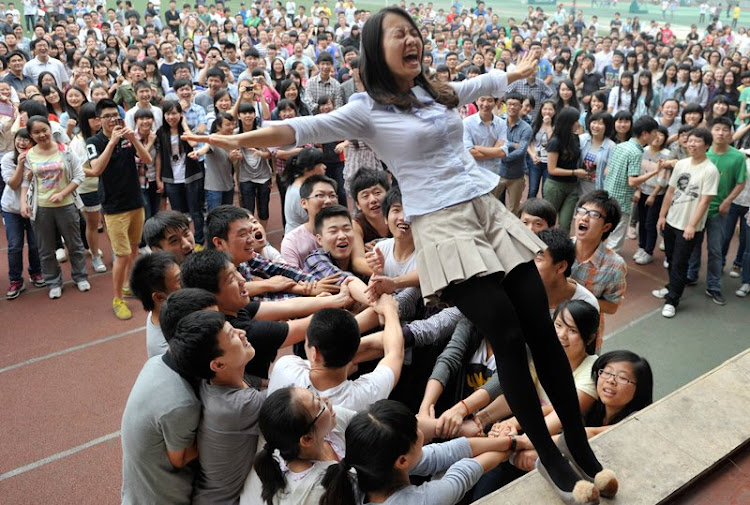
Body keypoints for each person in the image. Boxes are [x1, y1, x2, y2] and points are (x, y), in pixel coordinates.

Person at [186, 8, 612, 503]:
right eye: (398, 35)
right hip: (442, 225)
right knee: (508, 333)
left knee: (539, 322)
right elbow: (299, 129)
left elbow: (479, 83)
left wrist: (514, 73)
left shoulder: (436, 91)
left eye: (414, 32)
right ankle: (552, 457)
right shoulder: (367, 108)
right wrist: (240, 138)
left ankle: (580, 445)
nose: (411, 40)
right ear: (376, 49)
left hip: (485, 210)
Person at [318, 399, 532, 505]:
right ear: (402, 461)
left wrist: (508, 442)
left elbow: (443, 453)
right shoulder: (421, 501)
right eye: (416, 430)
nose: (421, 430)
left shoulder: (364, 471)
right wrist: (512, 444)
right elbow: (464, 471)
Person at [120, 288, 215, 505]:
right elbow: (179, 458)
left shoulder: (157, 361)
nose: (225, 327)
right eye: (213, 325)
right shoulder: (181, 403)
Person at [168, 307, 265, 505]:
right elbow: (297, 407)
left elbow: (262, 383)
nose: (242, 332)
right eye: (232, 334)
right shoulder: (240, 405)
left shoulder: (212, 382)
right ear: (218, 365)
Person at [86, 99, 151, 319]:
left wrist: (133, 138)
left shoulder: (127, 137)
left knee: (133, 249)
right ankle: (117, 299)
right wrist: (112, 142)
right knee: (122, 256)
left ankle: (126, 285)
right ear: (98, 120)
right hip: (114, 208)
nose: (113, 119)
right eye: (107, 116)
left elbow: (147, 159)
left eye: (116, 114)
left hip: (135, 202)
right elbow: (96, 169)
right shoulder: (94, 141)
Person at [20, 115, 89, 299]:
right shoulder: (29, 155)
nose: (42, 134)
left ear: (50, 129)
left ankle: (80, 276)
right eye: (36, 132)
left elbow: (79, 175)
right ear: (31, 135)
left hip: (66, 205)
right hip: (41, 208)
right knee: (46, 248)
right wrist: (23, 203)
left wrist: (63, 193)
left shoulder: (64, 151)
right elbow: (26, 182)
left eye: (44, 130)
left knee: (74, 244)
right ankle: (53, 282)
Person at [653, 128, 720, 318]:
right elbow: (670, 192)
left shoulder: (710, 170)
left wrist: (691, 225)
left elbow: (705, 201)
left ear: (706, 145)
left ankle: (672, 300)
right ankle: (671, 287)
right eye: (690, 140)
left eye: (697, 141)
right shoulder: (681, 164)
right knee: (672, 260)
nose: (692, 144)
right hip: (672, 221)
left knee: (680, 263)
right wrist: (662, 215)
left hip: (689, 227)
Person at [685, 117, 746, 303]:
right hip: (697, 209)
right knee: (694, 245)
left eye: (725, 129)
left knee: (716, 249)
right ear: (710, 133)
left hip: (718, 212)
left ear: (731, 133)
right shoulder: (703, 153)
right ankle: (692, 274)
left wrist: (727, 201)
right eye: (717, 129)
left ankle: (713, 286)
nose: (721, 132)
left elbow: (741, 182)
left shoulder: (737, 157)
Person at [571, 190, 627, 350]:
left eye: (594, 214)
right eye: (581, 211)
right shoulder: (560, 249)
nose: (584, 217)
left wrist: (575, 294)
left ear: (606, 227)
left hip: (585, 336)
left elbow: (612, 307)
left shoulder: (615, 265)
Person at [603, 116, 660, 253]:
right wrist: (655, 172)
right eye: (654, 132)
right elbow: (632, 181)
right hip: (621, 201)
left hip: (608, 196)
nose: (656, 136)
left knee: (605, 234)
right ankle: (606, 270)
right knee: (615, 241)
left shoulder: (621, 146)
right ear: (645, 134)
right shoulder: (636, 152)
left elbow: (607, 171)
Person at [1, 127, 45, 298]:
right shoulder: (7, 159)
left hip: (33, 206)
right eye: (19, 138)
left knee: (35, 243)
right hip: (11, 208)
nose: (22, 142)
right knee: (14, 245)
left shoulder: (39, 157)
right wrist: (20, 164)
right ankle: (15, 280)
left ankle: (36, 272)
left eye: (26, 139)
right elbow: (12, 184)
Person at [281, 174, 339, 269]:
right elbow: (292, 279)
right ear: (304, 203)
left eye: (332, 195)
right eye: (320, 195)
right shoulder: (292, 242)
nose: (328, 201)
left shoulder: (347, 231)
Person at [130, 251, 182, 358]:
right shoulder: (166, 349)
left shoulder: (163, 311)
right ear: (159, 297)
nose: (187, 280)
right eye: (179, 280)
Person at [633, 126, 673, 265]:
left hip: (656, 194)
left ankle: (649, 251)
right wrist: (637, 190)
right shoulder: (642, 151)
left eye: (661, 134)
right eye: (654, 133)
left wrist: (653, 195)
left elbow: (664, 179)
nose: (657, 137)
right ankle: (642, 247)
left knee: (650, 223)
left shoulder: (667, 155)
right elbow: (636, 172)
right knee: (642, 222)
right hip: (641, 191)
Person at [544, 106, 583, 234]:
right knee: (548, 220)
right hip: (555, 186)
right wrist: (575, 172)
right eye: (576, 120)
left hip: (572, 186)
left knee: (565, 224)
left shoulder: (575, 138)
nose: (579, 123)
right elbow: (552, 169)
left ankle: (561, 250)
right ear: (568, 122)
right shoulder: (555, 142)